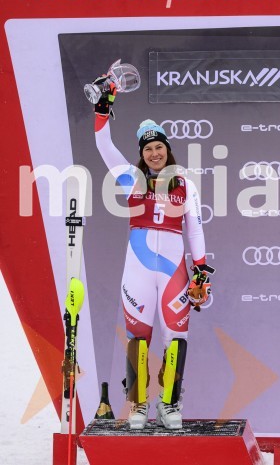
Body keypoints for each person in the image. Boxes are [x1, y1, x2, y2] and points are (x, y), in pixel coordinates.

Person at [92, 80, 214, 430]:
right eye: (148, 150)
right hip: (138, 270)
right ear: (142, 154)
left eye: (159, 147)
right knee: (138, 339)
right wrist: (103, 107)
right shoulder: (130, 178)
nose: (154, 154)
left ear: (167, 149)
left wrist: (201, 270)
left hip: (175, 269)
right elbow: (103, 143)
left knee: (176, 338)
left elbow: (195, 229)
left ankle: (170, 403)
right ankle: (138, 405)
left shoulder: (184, 184)